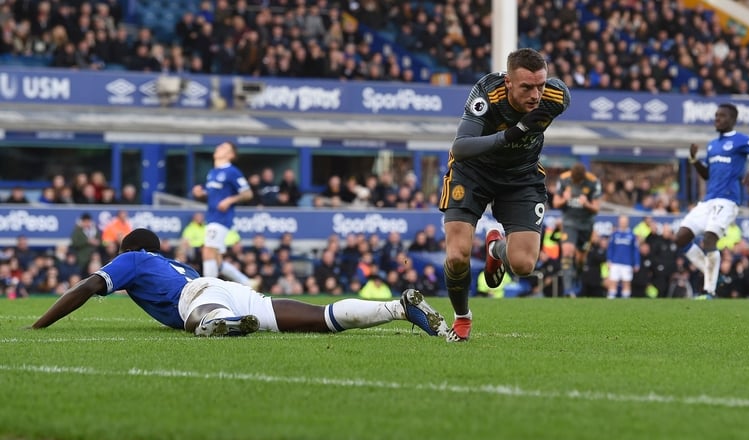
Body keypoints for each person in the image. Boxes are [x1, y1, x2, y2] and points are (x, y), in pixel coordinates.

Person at [29, 228, 448, 338]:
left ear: (132, 249)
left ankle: (220, 324)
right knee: (320, 318)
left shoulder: (132, 257)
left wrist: (39, 324)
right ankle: (397, 308)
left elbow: (84, 287)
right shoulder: (173, 262)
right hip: (225, 288)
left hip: (201, 295)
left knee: (199, 320)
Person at [438, 48, 570, 342]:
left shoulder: (555, 97)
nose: (536, 95)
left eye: (541, 85)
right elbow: (460, 148)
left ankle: (495, 250)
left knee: (523, 266)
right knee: (457, 256)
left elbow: (560, 95)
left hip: (520, 177)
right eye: (527, 87)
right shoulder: (487, 93)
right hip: (473, 173)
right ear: (508, 82)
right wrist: (514, 132)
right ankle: (462, 318)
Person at [674, 103, 749, 300]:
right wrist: (694, 160)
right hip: (709, 200)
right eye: (716, 115)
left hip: (728, 200)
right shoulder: (712, 145)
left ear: (732, 120)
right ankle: (714, 275)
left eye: (721, 116)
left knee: (710, 238)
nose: (716, 119)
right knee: (681, 237)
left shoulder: (741, 140)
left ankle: (708, 291)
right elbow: (707, 175)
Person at [191, 141, 254, 286]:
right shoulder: (212, 172)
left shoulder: (232, 171)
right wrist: (201, 193)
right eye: (219, 146)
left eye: (224, 147)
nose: (219, 148)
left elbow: (248, 193)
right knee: (217, 260)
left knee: (207, 250)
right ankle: (247, 282)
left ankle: (209, 288)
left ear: (231, 155)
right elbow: (213, 194)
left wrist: (230, 200)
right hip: (212, 217)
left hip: (222, 218)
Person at [551, 162, 602, 296]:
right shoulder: (563, 179)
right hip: (569, 221)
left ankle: (577, 277)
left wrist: (587, 204)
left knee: (580, 258)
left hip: (586, 224)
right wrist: (564, 199)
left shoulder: (593, 182)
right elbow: (556, 203)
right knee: (567, 252)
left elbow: (596, 208)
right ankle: (568, 290)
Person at [605, 215, 640, 299]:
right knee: (613, 282)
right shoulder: (614, 234)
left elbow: (635, 250)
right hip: (615, 262)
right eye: (621, 221)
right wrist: (609, 260)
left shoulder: (632, 235)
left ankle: (626, 302)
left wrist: (636, 263)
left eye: (624, 221)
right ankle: (611, 300)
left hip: (627, 263)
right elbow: (610, 248)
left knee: (626, 283)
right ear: (619, 222)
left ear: (627, 222)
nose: (623, 223)